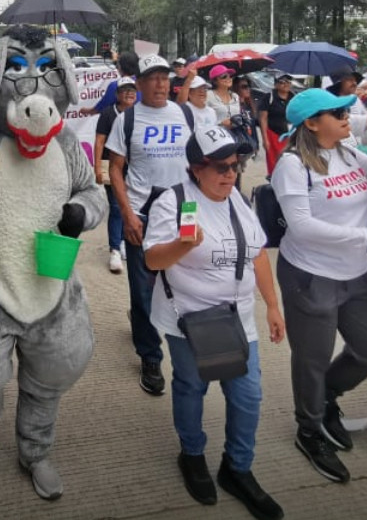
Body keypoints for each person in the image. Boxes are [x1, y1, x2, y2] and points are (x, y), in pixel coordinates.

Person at [143, 125, 285, 517]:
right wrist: (182, 244)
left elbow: (257, 253)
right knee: (192, 386)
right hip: (190, 320)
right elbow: (152, 260)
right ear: (196, 168)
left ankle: (237, 468)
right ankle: (192, 454)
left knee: (248, 396)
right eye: (221, 167)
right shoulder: (173, 202)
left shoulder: (236, 198)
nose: (231, 174)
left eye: (236, 165)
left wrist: (272, 305)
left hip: (237, 319)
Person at [270, 88, 367, 484]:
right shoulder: (293, 165)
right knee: (312, 358)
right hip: (311, 275)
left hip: (356, 273)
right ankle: (309, 430)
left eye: (345, 111)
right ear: (311, 123)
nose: (346, 116)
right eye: (337, 113)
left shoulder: (349, 153)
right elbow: (302, 227)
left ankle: (326, 396)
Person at [106, 54, 194, 397]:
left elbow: (198, 163)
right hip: (142, 214)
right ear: (139, 83)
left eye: (164, 77)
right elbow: (116, 169)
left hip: (183, 211)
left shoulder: (185, 114)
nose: (160, 84)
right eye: (153, 78)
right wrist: (127, 213)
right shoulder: (126, 120)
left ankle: (188, 338)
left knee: (186, 280)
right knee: (143, 289)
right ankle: (150, 356)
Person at [94, 76, 139, 274]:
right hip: (112, 165)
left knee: (130, 205)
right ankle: (114, 249)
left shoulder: (140, 113)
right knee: (115, 206)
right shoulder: (107, 114)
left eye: (132, 90)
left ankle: (122, 241)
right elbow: (99, 141)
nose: (129, 94)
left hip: (135, 167)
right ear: (118, 94)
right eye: (125, 90)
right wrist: (97, 167)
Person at [81, 51, 140, 116]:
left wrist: (84, 111)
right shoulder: (143, 84)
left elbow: (100, 108)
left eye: (118, 64)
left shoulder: (116, 86)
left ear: (120, 67)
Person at [258, 74, 294, 177]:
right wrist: (265, 139)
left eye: (288, 82)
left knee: (289, 161)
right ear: (276, 85)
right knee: (274, 163)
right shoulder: (269, 97)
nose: (286, 84)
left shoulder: (293, 97)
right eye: (282, 82)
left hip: (289, 135)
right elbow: (263, 118)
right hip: (273, 135)